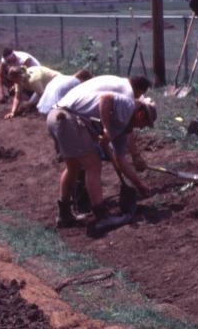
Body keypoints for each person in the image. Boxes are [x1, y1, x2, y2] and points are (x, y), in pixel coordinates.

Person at [46, 75, 157, 228]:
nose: (141, 128)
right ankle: (102, 216)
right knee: (93, 165)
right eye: (144, 124)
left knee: (74, 167)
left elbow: (121, 159)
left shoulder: (122, 126)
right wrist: (106, 128)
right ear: (141, 114)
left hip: (56, 117)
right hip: (66, 117)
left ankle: (64, 215)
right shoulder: (128, 105)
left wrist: (139, 185)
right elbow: (105, 98)